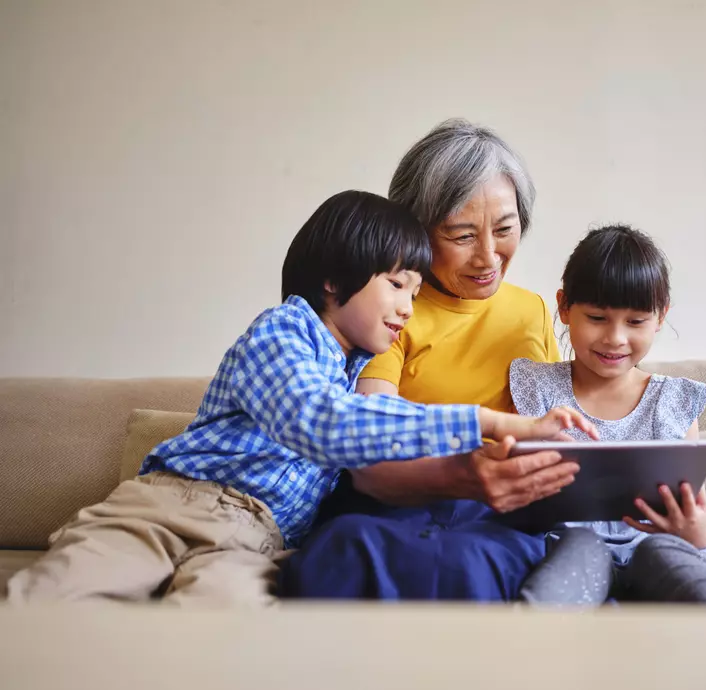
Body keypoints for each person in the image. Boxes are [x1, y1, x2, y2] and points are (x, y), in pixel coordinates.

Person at [5, 190, 592, 606]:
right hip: (175, 506)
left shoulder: (353, 372)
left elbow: (369, 460)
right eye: (396, 285)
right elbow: (323, 423)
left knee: (225, 635)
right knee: (55, 602)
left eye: (414, 292)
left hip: (258, 543)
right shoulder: (283, 332)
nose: (408, 309)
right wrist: (486, 423)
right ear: (334, 280)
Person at [278, 120, 586, 601]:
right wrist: (466, 478)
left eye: (504, 229)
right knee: (346, 552)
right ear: (417, 232)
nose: (489, 257)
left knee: (505, 557)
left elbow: (559, 428)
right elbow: (368, 460)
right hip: (399, 505)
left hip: (501, 518)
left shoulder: (534, 310)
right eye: (462, 235)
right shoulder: (388, 313)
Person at [511, 224, 706, 605]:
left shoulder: (672, 401)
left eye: (635, 322)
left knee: (663, 554)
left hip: (663, 545)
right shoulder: (536, 388)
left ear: (660, 317)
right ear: (564, 307)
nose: (615, 338)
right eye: (597, 317)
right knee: (580, 552)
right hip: (570, 545)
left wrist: (696, 531)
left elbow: (693, 513)